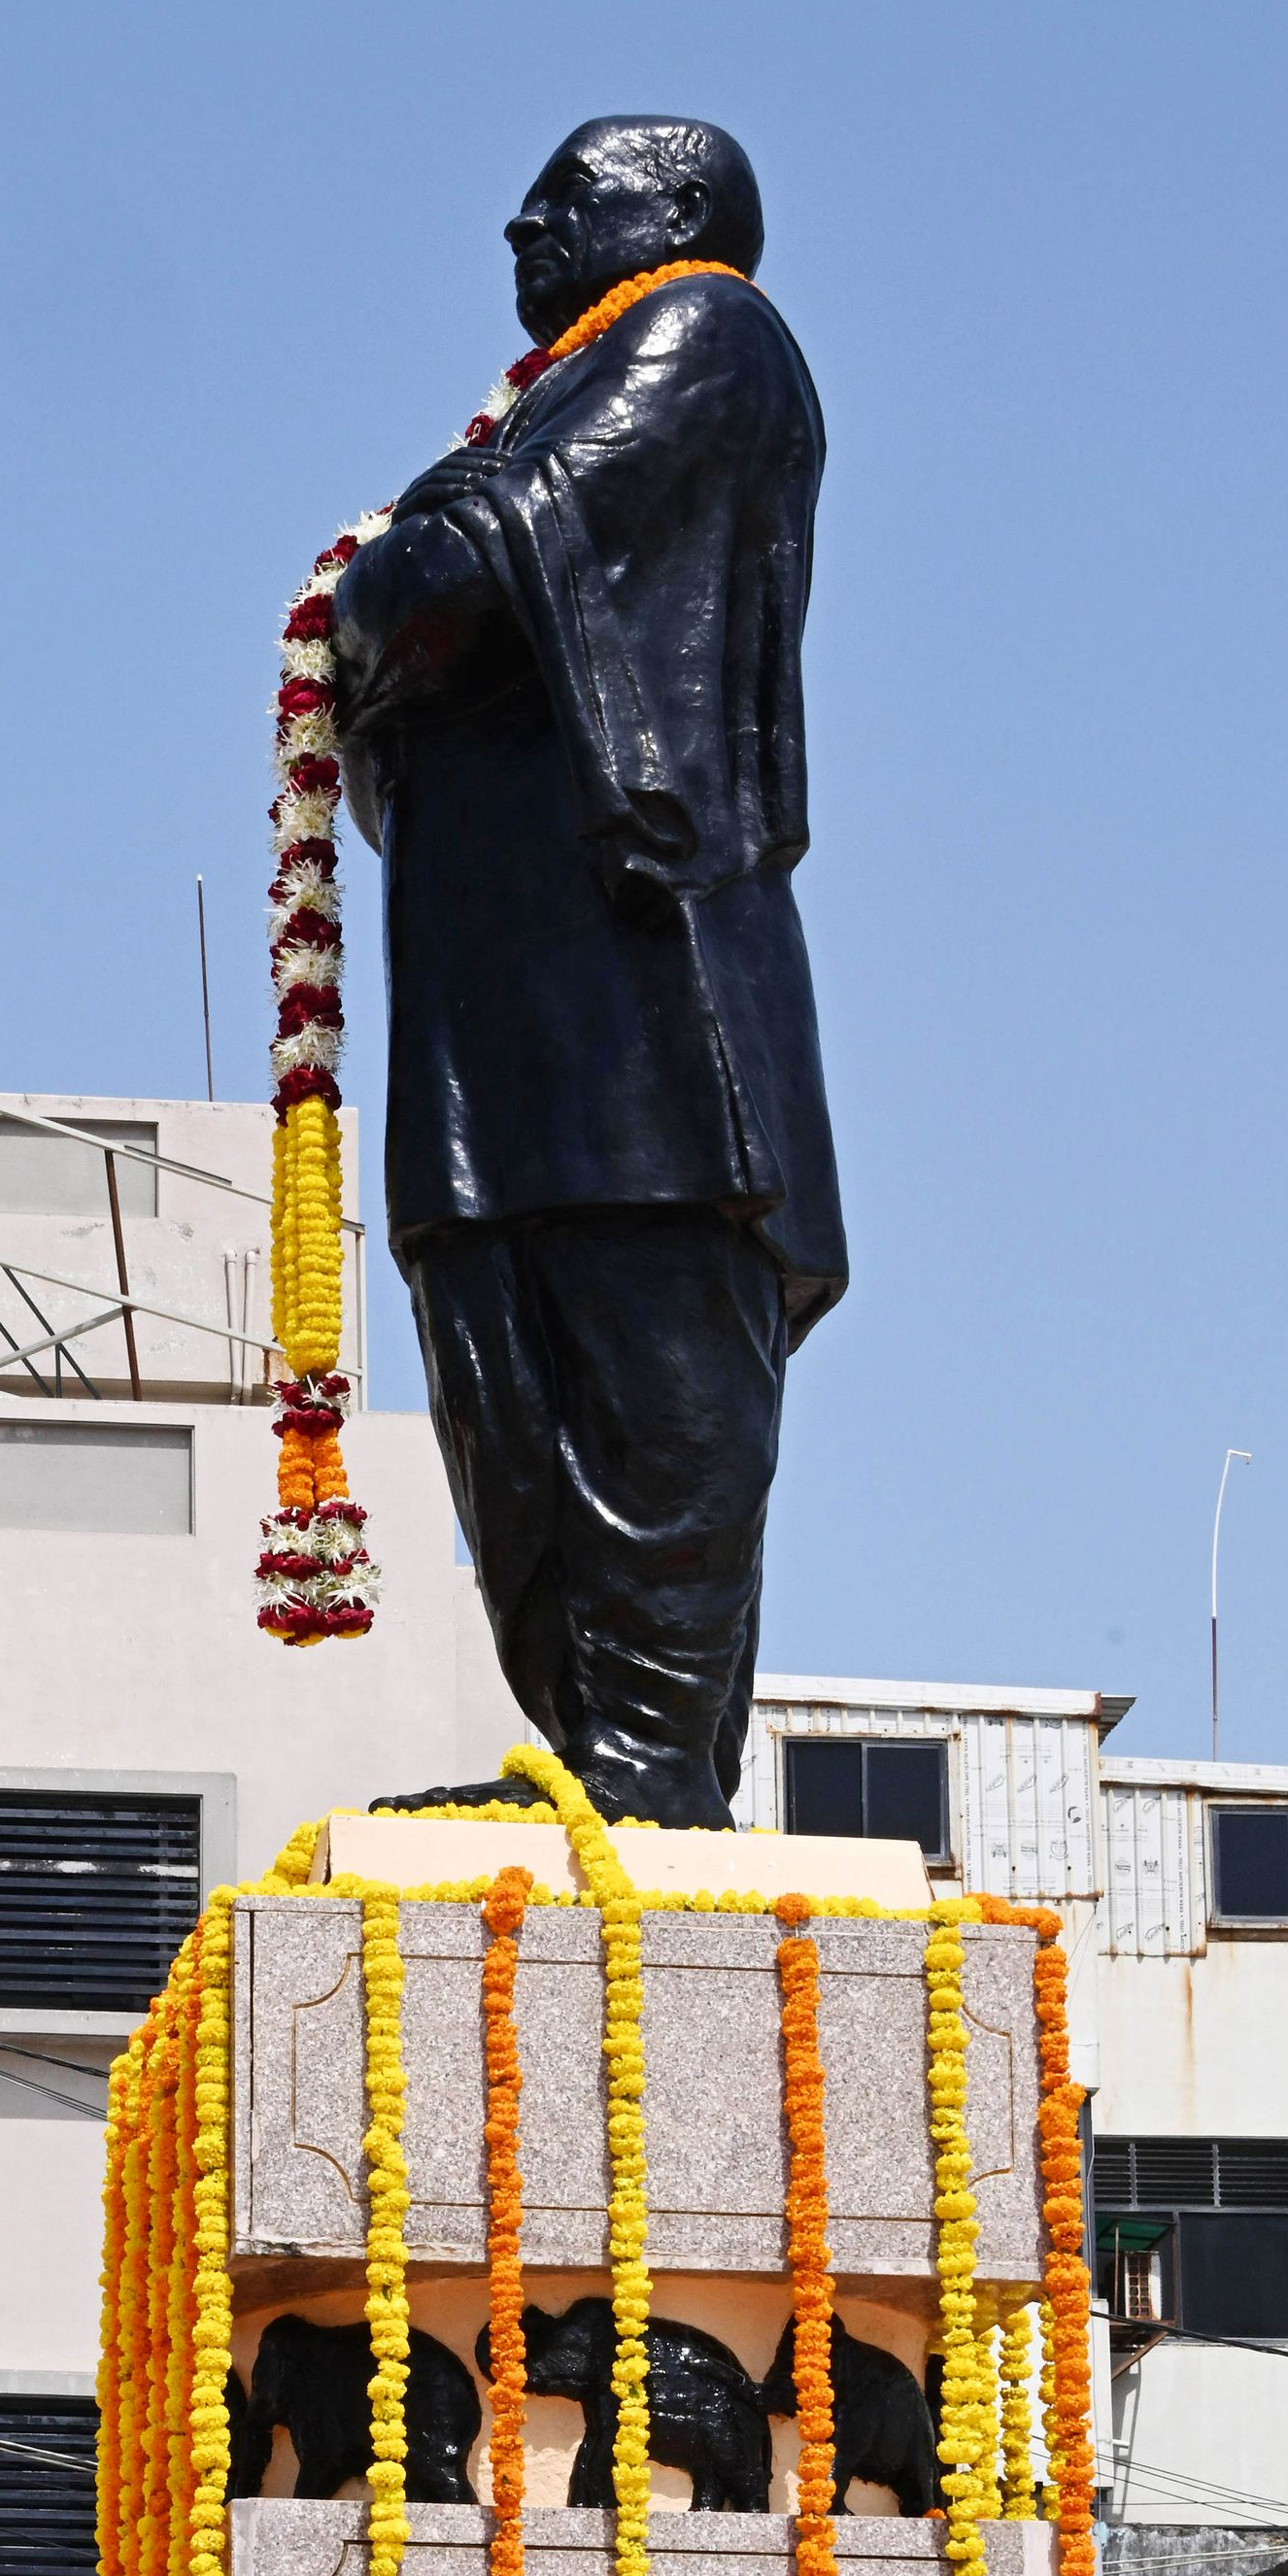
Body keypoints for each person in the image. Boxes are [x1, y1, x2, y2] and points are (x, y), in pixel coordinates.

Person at [331, 116, 844, 1829]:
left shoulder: (706, 326)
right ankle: (588, 1751)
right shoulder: (553, 388)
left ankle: (652, 1760)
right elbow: (405, 602)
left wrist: (404, 564)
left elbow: (461, 575)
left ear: (678, 210)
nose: (521, 223)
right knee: (501, 1373)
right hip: (493, 992)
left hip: (642, 973)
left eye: (567, 197)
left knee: (646, 1343)